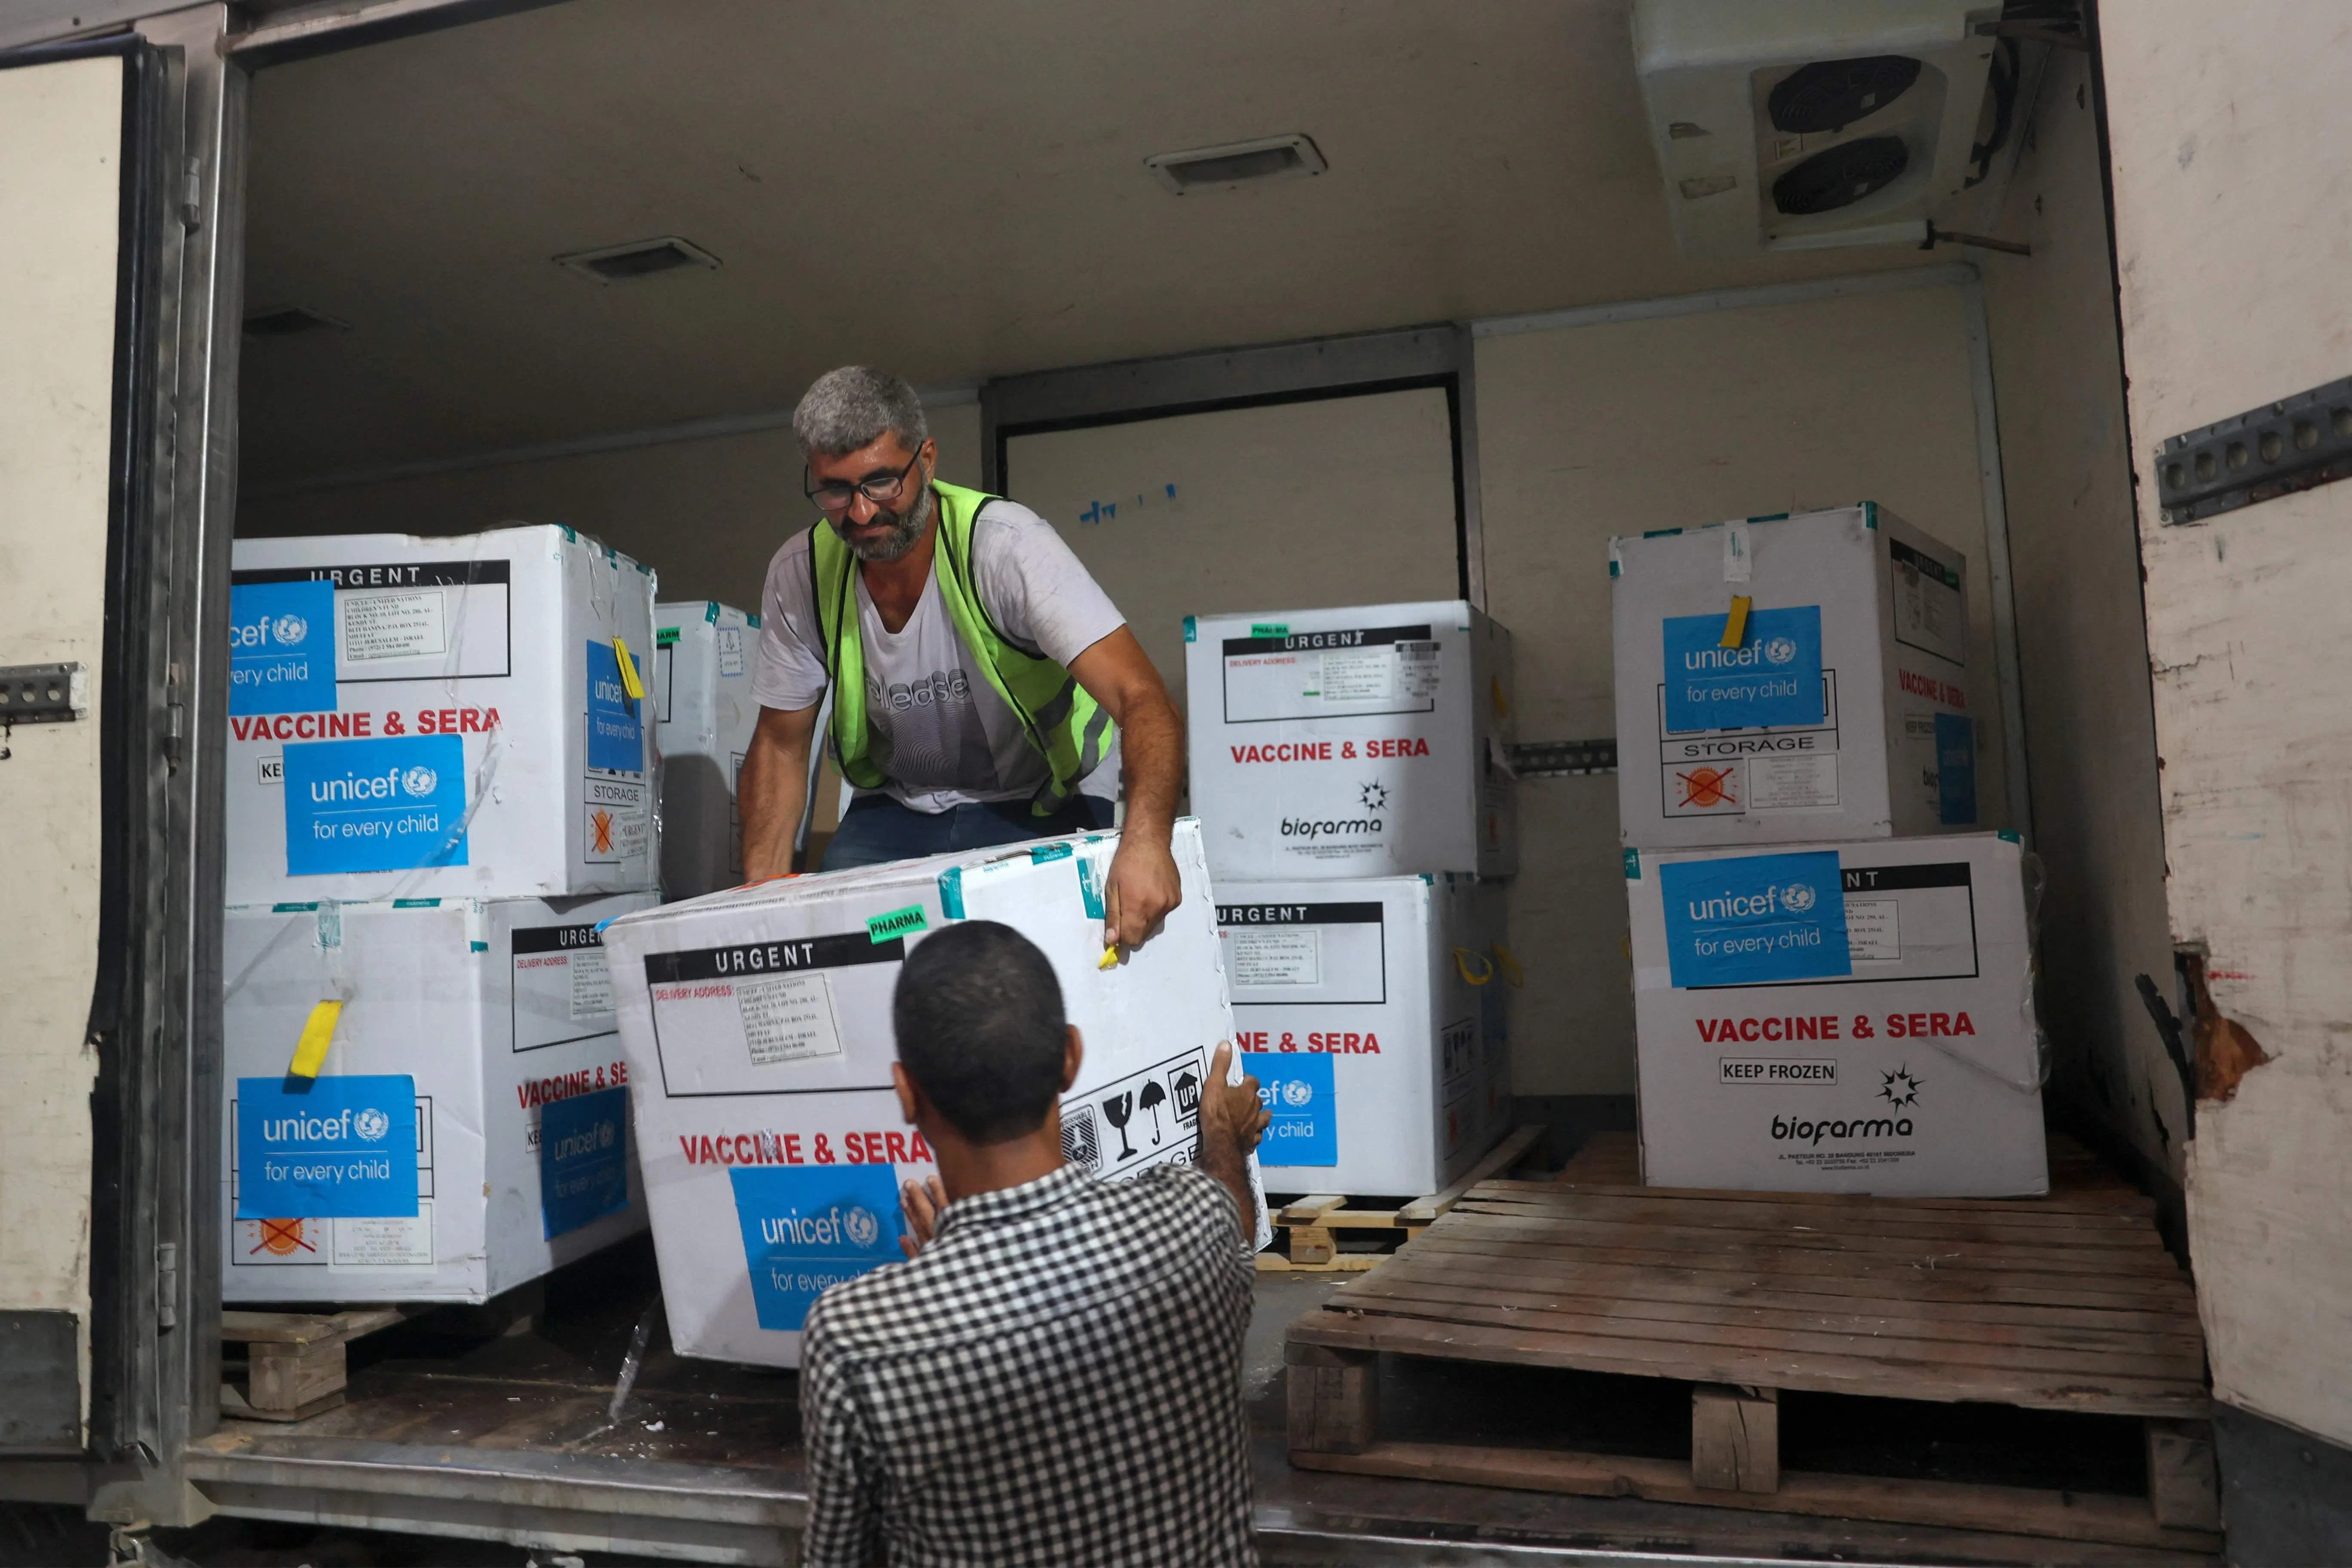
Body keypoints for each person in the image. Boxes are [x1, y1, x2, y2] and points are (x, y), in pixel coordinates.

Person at [797, 921, 1271, 1567]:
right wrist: (1221, 1133)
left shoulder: (856, 1336)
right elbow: (1232, 1225)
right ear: (1071, 1057)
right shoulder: (1195, 1222)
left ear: (907, 1095)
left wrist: (947, 1276)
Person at [738, 366, 1185, 949]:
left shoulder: (1007, 548)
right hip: (899, 810)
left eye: (880, 483)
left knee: (1052, 964)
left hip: (1045, 797)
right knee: (851, 954)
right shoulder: (801, 574)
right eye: (836, 490)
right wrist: (756, 914)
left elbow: (1143, 699)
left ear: (926, 461)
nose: (862, 513)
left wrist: (1150, 841)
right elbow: (779, 745)